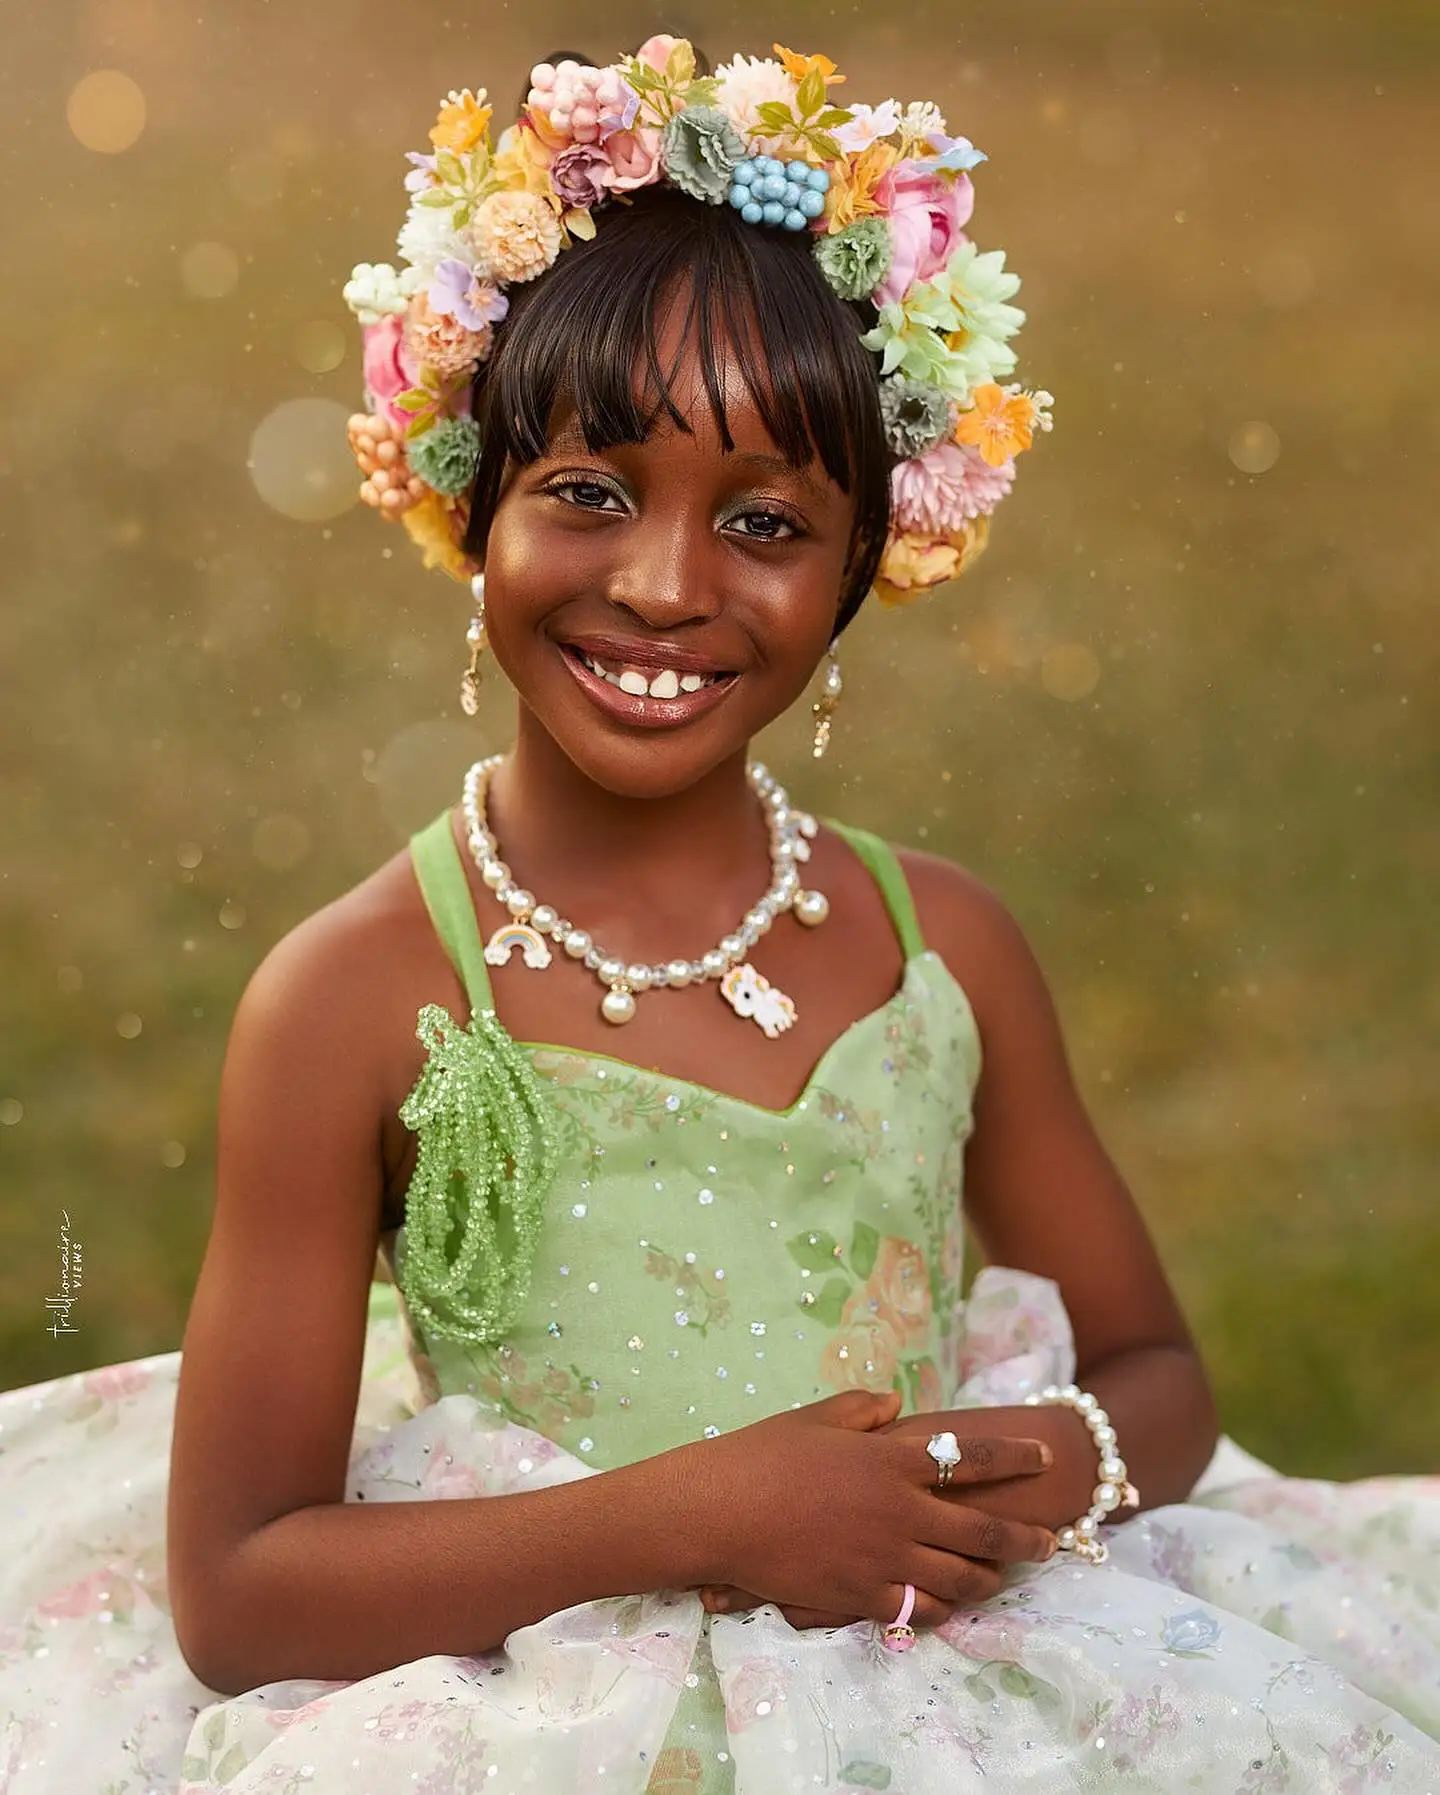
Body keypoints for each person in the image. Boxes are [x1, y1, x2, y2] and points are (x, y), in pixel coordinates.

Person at [2, 34, 1437, 1795]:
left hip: (952, 1661)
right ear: (471, 507)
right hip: (542, 1696)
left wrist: (1021, 1469)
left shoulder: (944, 948)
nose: (667, 586)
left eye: (761, 520)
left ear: (860, 571)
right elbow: (236, 1588)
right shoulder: (351, 1000)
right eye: (589, 492)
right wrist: (701, 1517)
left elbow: (1155, 1372)